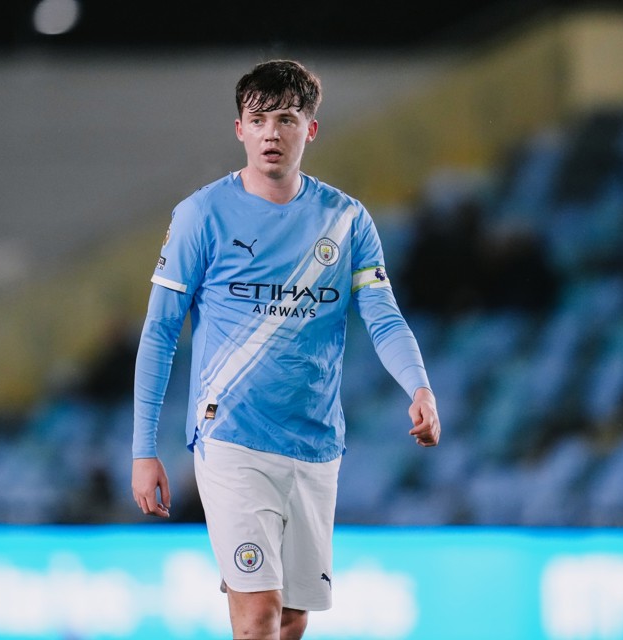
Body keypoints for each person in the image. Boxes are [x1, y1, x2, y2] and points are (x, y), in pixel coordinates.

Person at [131, 59, 440, 640]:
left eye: (287, 118)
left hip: (316, 442)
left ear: (310, 130)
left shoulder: (347, 221)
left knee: (293, 618)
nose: (272, 132)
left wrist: (418, 386)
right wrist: (143, 450)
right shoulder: (201, 215)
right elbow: (159, 332)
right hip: (232, 438)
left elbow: (381, 313)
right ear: (239, 129)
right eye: (259, 119)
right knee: (259, 613)